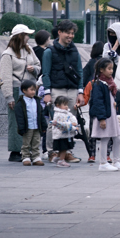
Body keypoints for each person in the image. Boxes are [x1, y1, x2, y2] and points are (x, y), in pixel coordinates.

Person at [41, 21, 84, 163]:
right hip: (56, 89)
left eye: (72, 33)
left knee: (70, 122)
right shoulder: (49, 51)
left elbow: (80, 72)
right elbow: (45, 73)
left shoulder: (74, 51)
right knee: (54, 122)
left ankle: (67, 152)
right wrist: (47, 92)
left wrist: (80, 92)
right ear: (59, 32)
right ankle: (51, 151)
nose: (70, 36)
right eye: (68, 33)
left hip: (72, 90)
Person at [1, 23, 42, 162]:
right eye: (26, 35)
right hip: (16, 89)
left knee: (30, 119)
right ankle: (15, 151)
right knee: (16, 121)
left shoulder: (29, 50)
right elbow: (5, 77)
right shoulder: (7, 54)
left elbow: (38, 65)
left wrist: (34, 69)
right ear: (20, 36)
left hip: (29, 89)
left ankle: (28, 150)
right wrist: (9, 97)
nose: (28, 37)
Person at [89, 57, 120, 172]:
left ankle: (116, 161)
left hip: (110, 114)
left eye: (112, 69)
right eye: (109, 69)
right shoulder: (99, 84)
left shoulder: (108, 83)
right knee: (105, 138)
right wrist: (102, 118)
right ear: (101, 70)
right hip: (105, 116)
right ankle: (103, 162)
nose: (111, 71)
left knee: (117, 137)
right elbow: (98, 102)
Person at [13, 79, 47, 166]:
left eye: (34, 90)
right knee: (26, 143)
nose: (33, 92)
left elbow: (41, 114)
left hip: (36, 126)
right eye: (31, 90)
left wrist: (43, 126)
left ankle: (36, 157)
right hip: (27, 127)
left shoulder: (37, 101)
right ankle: (25, 157)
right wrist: (21, 127)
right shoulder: (21, 103)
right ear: (24, 90)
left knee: (36, 142)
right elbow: (19, 117)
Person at [50, 95, 80, 167]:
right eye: (64, 104)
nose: (66, 106)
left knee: (62, 148)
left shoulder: (66, 113)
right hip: (62, 135)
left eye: (67, 104)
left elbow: (72, 119)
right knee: (64, 148)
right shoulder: (59, 114)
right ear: (58, 105)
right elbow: (62, 125)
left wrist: (74, 125)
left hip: (65, 134)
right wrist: (73, 127)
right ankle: (61, 160)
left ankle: (58, 158)